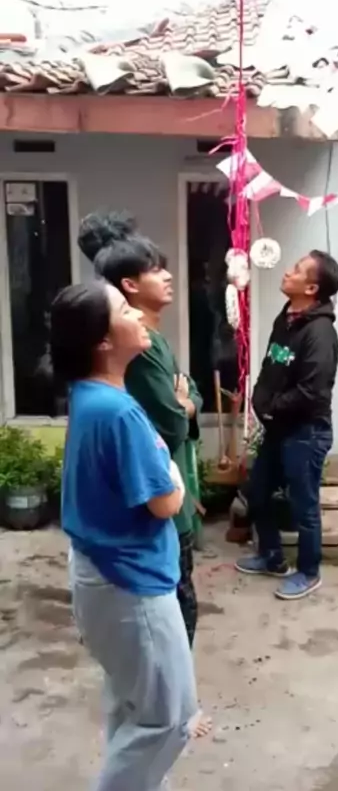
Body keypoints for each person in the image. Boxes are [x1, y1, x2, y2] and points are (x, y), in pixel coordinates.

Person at [51, 280, 198, 791]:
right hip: (131, 584)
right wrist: (174, 475)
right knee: (169, 720)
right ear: (102, 341)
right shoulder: (118, 411)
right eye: (123, 309)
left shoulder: (91, 396)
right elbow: (166, 502)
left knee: (134, 706)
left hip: (103, 574)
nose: (136, 314)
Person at [77, 213, 211, 736]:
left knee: (164, 619)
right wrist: (182, 411)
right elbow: (171, 427)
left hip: (143, 532)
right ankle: (171, 708)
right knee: (173, 612)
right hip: (149, 534)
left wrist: (186, 402)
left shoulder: (112, 381)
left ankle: (162, 702)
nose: (169, 276)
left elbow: (188, 393)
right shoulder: (118, 398)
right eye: (157, 269)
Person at [236, 250, 338, 601]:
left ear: (311, 288)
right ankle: (272, 557)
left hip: (305, 432)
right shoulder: (287, 319)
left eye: (296, 270)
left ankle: (309, 572)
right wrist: (258, 398)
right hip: (278, 427)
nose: (287, 272)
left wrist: (270, 408)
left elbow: (312, 392)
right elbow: (272, 366)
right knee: (258, 491)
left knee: (302, 505)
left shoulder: (320, 333)